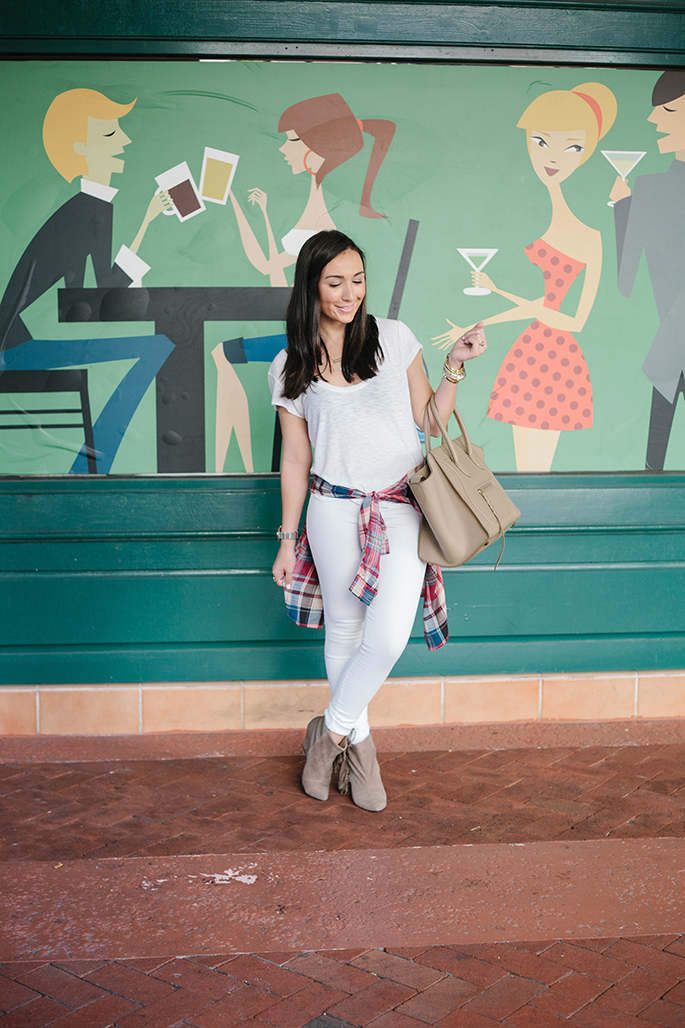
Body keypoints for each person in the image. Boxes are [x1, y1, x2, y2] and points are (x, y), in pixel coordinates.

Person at [269, 230, 487, 811]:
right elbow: (295, 459)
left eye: (358, 280)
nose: (350, 294)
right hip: (332, 509)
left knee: (387, 637)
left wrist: (454, 367)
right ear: (311, 287)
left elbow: (430, 423)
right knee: (345, 630)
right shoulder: (290, 365)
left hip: (399, 507)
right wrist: (287, 540)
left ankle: (327, 737)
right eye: (335, 283)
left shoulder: (393, 338)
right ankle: (361, 751)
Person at [434, 82, 617, 472]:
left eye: (571, 147)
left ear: (585, 154)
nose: (551, 157)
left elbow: (572, 319)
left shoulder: (590, 237)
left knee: (538, 468)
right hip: (530, 355)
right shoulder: (538, 218)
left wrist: (500, 294)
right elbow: (540, 303)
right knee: (524, 467)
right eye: (540, 141)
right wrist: (479, 320)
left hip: (558, 360)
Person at [212, 94, 396, 472]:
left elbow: (268, 264)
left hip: (321, 341)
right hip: (307, 334)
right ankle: (237, 467)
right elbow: (276, 269)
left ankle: (238, 467)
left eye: (292, 140)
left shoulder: (320, 222)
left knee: (223, 354)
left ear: (315, 151)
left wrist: (234, 203)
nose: (283, 149)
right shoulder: (313, 207)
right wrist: (258, 215)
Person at [0, 88, 173, 474]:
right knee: (156, 347)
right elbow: (99, 299)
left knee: (154, 346)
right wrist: (147, 223)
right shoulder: (85, 208)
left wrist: (147, 220)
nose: (124, 140)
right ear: (80, 148)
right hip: (15, 350)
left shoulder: (89, 204)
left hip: (24, 342)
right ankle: (91, 466)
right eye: (110, 133)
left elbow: (97, 291)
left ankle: (90, 463)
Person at [609, 71, 685, 470]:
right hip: (669, 353)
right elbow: (626, 282)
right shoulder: (649, 189)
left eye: (668, 111)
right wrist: (623, 208)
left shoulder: (651, 190)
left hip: (668, 350)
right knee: (652, 467)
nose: (654, 120)